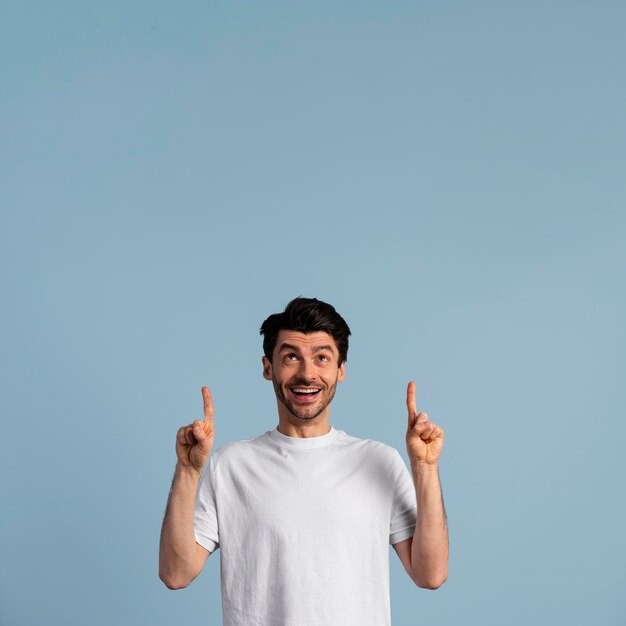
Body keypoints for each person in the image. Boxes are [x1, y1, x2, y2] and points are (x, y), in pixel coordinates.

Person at [159, 297, 448, 625]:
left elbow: (431, 574)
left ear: (341, 370)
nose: (307, 373)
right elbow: (176, 573)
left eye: (322, 357)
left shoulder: (380, 461)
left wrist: (425, 469)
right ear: (268, 368)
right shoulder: (230, 465)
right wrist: (187, 471)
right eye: (291, 357)